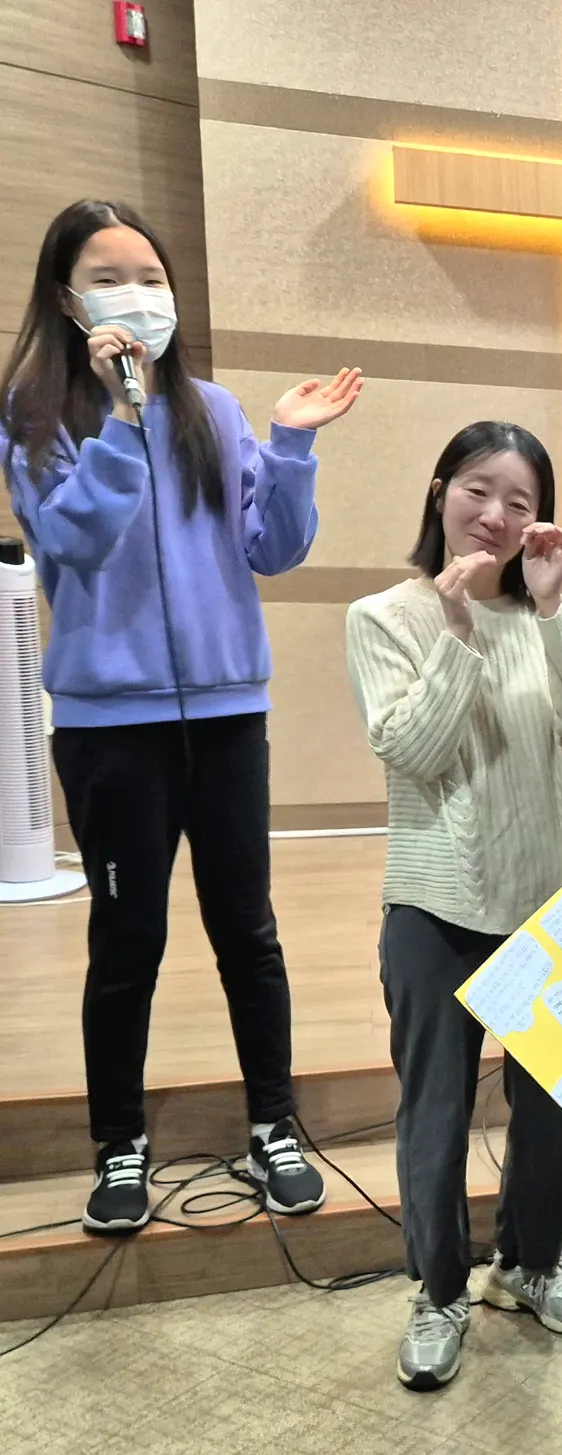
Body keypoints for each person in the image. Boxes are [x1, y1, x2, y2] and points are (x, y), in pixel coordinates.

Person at [0, 198, 362, 1234]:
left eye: (151, 277)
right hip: (110, 729)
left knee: (248, 931)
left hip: (228, 713)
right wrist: (121, 422)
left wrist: (289, 446)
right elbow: (73, 542)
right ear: (68, 300)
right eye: (110, 278)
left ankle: (274, 1126)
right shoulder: (34, 415)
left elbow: (274, 549)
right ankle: (119, 1145)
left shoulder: (215, 410)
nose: (138, 296)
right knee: (129, 941)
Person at [345, 422, 562, 1391]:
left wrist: (550, 608)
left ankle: (530, 1266)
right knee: (436, 1111)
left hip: (551, 892)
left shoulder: (550, 615)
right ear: (438, 490)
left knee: (550, 1106)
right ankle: (439, 1291)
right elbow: (413, 750)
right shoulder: (384, 616)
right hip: (435, 899)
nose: (495, 515)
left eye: (520, 501)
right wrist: (457, 637)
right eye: (476, 490)